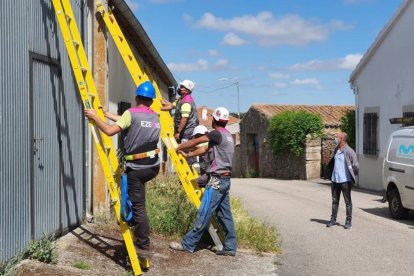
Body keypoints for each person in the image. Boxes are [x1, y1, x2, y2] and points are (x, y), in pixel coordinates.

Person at [84, 81, 160, 257]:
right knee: (137, 199)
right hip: (152, 166)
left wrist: (95, 117)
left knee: (139, 207)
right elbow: (128, 122)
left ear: (136, 97)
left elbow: (111, 131)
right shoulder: (154, 116)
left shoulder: (131, 113)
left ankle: (143, 246)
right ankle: (134, 219)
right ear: (151, 101)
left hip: (137, 167)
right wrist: (107, 114)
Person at [169, 107, 237, 256]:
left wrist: (179, 146)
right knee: (225, 215)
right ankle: (230, 247)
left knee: (204, 212)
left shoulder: (216, 134)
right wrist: (188, 154)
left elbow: (197, 141)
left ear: (214, 120)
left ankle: (188, 244)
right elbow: (204, 149)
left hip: (217, 181)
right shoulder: (227, 135)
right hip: (225, 180)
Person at [326, 132, 359, 230]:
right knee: (335, 201)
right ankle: (333, 220)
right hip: (335, 180)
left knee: (347, 202)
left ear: (342, 139)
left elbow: (356, 166)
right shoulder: (336, 150)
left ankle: (348, 222)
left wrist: (353, 175)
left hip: (345, 181)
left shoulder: (349, 151)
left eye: (337, 137)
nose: (335, 139)